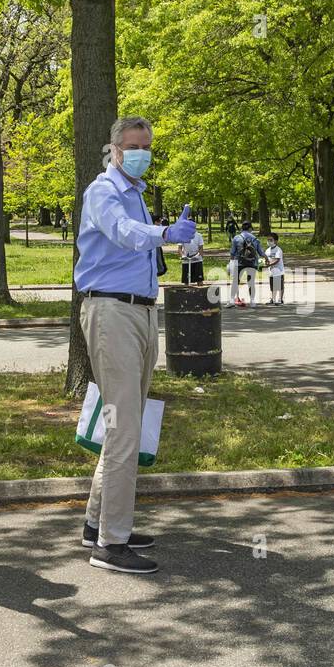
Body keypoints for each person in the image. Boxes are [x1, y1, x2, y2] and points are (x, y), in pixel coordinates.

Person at [75, 116, 198, 574]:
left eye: (147, 145)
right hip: (112, 312)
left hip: (141, 310)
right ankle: (111, 544)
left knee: (123, 421)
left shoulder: (138, 195)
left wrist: (182, 241)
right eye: (133, 145)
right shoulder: (104, 192)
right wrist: (165, 234)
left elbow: (144, 242)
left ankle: (97, 523)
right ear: (114, 149)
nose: (142, 152)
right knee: (125, 426)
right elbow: (122, 233)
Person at [229, 221, 264, 307]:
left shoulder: (236, 238)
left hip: (239, 262)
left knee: (235, 282)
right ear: (250, 228)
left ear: (241, 228)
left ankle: (232, 300)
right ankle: (252, 301)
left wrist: (231, 263)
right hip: (252, 262)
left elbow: (232, 253)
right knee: (251, 282)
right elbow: (261, 253)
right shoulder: (255, 239)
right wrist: (266, 258)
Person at [263, 232, 285, 304]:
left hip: (279, 271)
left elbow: (277, 260)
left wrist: (268, 265)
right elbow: (266, 259)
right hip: (271, 272)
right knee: (272, 286)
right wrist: (264, 263)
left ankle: (280, 299)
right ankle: (272, 299)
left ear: (276, 241)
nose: (269, 241)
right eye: (268, 240)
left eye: (271, 240)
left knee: (279, 286)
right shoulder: (267, 250)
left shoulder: (278, 250)